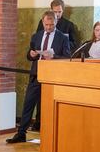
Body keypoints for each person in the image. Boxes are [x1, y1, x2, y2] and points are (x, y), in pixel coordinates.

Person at [7, 10, 71, 144]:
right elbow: (29, 56)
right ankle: (21, 134)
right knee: (28, 104)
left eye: (51, 25)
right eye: (46, 24)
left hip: (53, 77)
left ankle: (51, 136)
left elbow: (67, 57)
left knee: (50, 107)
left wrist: (54, 57)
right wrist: (31, 54)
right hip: (36, 75)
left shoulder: (63, 38)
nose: (49, 27)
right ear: (43, 22)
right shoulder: (37, 36)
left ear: (56, 22)